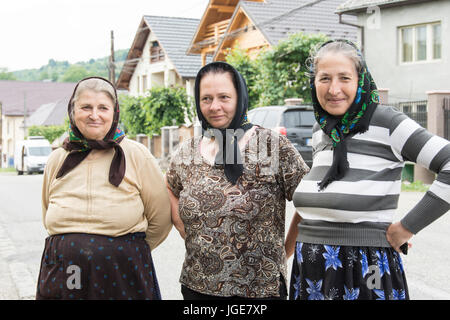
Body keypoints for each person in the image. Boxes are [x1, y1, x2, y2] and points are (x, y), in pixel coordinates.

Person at [285, 39, 450, 300]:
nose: (334, 89)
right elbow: (318, 201)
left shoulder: (387, 122)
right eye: (325, 78)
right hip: (311, 268)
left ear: (360, 80)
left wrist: (407, 227)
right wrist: (285, 252)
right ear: (313, 82)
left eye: (344, 78)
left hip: (365, 266)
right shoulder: (322, 131)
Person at [165, 61, 310, 300]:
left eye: (224, 97)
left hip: (259, 290)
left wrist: (286, 251)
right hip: (197, 286)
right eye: (206, 99)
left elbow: (308, 201)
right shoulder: (187, 152)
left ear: (239, 97)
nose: (215, 107)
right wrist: (183, 226)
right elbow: (169, 186)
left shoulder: (272, 146)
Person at [36, 77, 172, 300]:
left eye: (103, 108)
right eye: (86, 107)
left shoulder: (137, 154)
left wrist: (124, 250)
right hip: (66, 270)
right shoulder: (57, 159)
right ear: (72, 110)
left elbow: (161, 219)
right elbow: (47, 211)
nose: (94, 115)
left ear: (114, 112)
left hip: (123, 269)